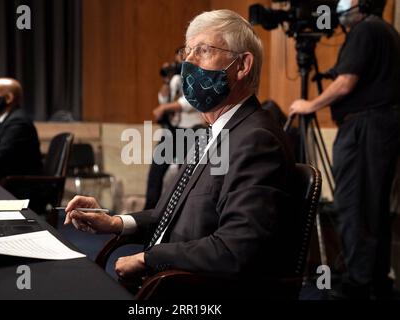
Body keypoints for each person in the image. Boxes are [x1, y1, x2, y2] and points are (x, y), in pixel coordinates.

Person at [65, 10, 296, 298]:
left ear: (242, 65)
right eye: (186, 52)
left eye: (203, 50)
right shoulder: (213, 133)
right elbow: (168, 214)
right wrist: (116, 222)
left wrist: (147, 259)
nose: (188, 63)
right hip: (167, 283)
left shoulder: (256, 140)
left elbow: (235, 248)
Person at [289, 0, 400, 299]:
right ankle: (374, 280)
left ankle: (358, 284)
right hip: (381, 129)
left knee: (354, 205)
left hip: (366, 129)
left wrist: (309, 104)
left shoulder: (365, 30)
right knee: (372, 207)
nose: (339, 4)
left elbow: (346, 82)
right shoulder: (384, 30)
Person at [145, 49, 206, 210]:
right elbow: (164, 98)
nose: (179, 65)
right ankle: (149, 215)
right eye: (177, 62)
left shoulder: (197, 77)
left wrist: (164, 107)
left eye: (182, 61)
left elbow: (188, 102)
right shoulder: (175, 79)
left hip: (191, 131)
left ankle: (176, 214)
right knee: (155, 174)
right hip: (172, 131)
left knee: (182, 177)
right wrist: (166, 80)